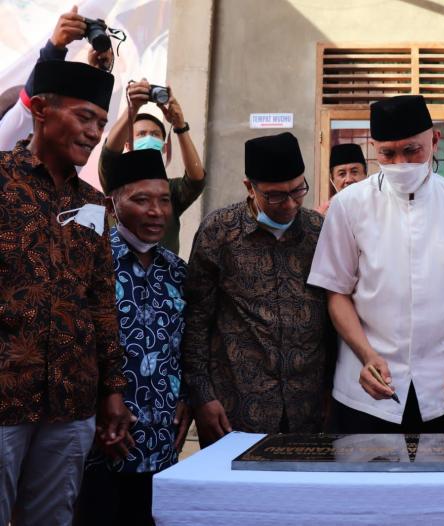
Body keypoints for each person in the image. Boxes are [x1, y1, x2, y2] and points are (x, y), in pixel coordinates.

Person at [307, 95, 444, 434]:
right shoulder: (348, 206)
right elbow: (336, 292)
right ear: (374, 149)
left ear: (435, 140)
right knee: (364, 484)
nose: (400, 162)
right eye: (388, 153)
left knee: (443, 485)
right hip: (366, 388)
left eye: (412, 150)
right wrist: (366, 354)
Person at [0, 60, 132, 526]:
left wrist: (113, 391)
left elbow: (101, 301)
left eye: (101, 121)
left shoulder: (93, 204)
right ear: (39, 110)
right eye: (84, 117)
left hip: (72, 401)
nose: (95, 132)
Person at [182, 132, 331, 446]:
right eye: (275, 196)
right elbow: (195, 322)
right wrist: (202, 397)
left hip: (308, 408)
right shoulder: (219, 231)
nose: (290, 204)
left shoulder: (318, 232)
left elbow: (331, 321)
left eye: (298, 191)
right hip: (236, 408)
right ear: (249, 187)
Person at [73, 149, 190, 526]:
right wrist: (94, 417)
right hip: (102, 441)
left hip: (162, 443)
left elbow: (185, 344)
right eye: (141, 200)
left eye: (164, 200)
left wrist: (185, 397)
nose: (156, 211)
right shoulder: (90, 261)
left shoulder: (175, 270)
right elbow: (73, 347)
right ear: (113, 203)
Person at [99, 79, 206, 253]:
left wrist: (180, 126)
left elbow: (196, 180)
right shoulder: (116, 182)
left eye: (155, 134)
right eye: (141, 134)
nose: (155, 210)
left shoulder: (170, 190)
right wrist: (132, 109)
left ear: (164, 146)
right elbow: (109, 154)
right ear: (127, 144)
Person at [0, 5, 113, 150]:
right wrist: (55, 46)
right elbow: (27, 107)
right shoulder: (5, 152)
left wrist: (99, 72)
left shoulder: (61, 162)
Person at [316, 142, 367, 215]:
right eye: (342, 174)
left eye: (354, 172)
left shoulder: (378, 208)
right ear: (332, 179)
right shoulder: (324, 214)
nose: (348, 179)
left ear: (365, 175)